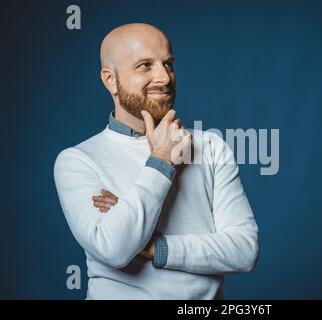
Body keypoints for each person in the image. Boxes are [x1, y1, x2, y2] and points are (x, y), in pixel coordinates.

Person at [53, 23, 259, 300]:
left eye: (168, 64)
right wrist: (161, 160)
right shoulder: (77, 161)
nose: (164, 77)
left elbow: (244, 251)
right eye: (145, 66)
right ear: (110, 80)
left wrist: (152, 247)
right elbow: (113, 249)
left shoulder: (211, 146)